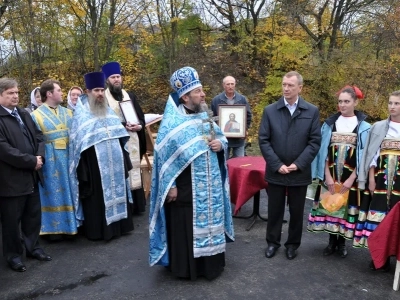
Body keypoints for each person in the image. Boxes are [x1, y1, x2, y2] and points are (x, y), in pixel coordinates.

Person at [149, 66, 234, 280]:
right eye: (198, 91)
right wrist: (172, 186)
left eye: (202, 89)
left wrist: (220, 145)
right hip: (186, 190)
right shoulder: (171, 123)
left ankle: (211, 266)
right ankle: (188, 268)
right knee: (185, 225)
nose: (203, 94)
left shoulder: (204, 116)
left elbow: (222, 138)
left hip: (210, 187)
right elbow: (164, 158)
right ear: (185, 96)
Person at [259, 71, 321, 260]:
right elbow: (263, 140)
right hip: (276, 171)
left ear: (300, 88)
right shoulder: (270, 110)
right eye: (284, 84)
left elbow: (314, 141)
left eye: (290, 85)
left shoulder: (311, 111)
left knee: (296, 211)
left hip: (299, 173)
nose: (286, 88)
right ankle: (272, 242)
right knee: (275, 210)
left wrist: (298, 164)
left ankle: (292, 245)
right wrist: (277, 164)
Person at [69, 72, 134, 241]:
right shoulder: (81, 114)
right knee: (98, 196)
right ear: (87, 91)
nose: (99, 94)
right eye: (96, 90)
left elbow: (120, 135)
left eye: (101, 90)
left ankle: (120, 226)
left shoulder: (109, 112)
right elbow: (78, 144)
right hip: (94, 166)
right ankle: (100, 231)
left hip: (116, 163)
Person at [307, 86, 370, 258]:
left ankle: (342, 243)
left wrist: (353, 178)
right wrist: (326, 175)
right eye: (340, 101)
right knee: (331, 206)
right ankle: (331, 242)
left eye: (347, 101)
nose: (342, 105)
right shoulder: (329, 125)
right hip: (331, 174)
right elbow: (323, 152)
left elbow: (365, 155)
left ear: (355, 102)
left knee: (345, 209)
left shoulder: (364, 127)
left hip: (350, 176)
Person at [0, 78, 51, 272]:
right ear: (0, 95)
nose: (15, 96)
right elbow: (4, 150)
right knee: (12, 221)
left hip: (31, 175)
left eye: (16, 92)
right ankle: (13, 256)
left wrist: (40, 156)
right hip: (10, 180)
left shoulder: (23, 113)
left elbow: (39, 136)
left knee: (32, 215)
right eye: (10, 93)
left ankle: (33, 248)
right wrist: (31, 161)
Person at [354, 90, 400, 271]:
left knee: (396, 218)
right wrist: (370, 179)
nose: (392, 107)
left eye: (396, 103)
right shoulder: (379, 127)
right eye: (390, 103)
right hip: (380, 180)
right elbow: (370, 155)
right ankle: (378, 256)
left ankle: (394, 255)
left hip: (398, 183)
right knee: (379, 215)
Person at [31, 79, 78, 240]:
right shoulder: (35, 115)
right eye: (59, 90)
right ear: (49, 94)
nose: (62, 92)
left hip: (69, 157)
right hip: (50, 161)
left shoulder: (68, 112)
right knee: (52, 192)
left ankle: (75, 224)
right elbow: (35, 141)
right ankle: (54, 229)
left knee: (72, 189)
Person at [102, 62, 147, 214]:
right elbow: (104, 121)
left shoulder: (131, 96)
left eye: (118, 76)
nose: (116, 80)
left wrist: (139, 126)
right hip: (117, 142)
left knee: (134, 169)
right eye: (113, 77)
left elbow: (141, 118)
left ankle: (137, 206)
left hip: (133, 137)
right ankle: (125, 206)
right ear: (107, 80)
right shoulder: (105, 99)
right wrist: (123, 125)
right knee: (121, 173)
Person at [211, 76, 252, 158]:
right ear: (223, 85)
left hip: (239, 140)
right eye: (228, 84)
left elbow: (248, 115)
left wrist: (245, 129)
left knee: (240, 164)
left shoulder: (242, 99)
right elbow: (212, 118)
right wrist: (217, 132)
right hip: (223, 139)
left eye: (232, 84)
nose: (230, 86)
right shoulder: (216, 100)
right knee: (223, 163)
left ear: (235, 84)